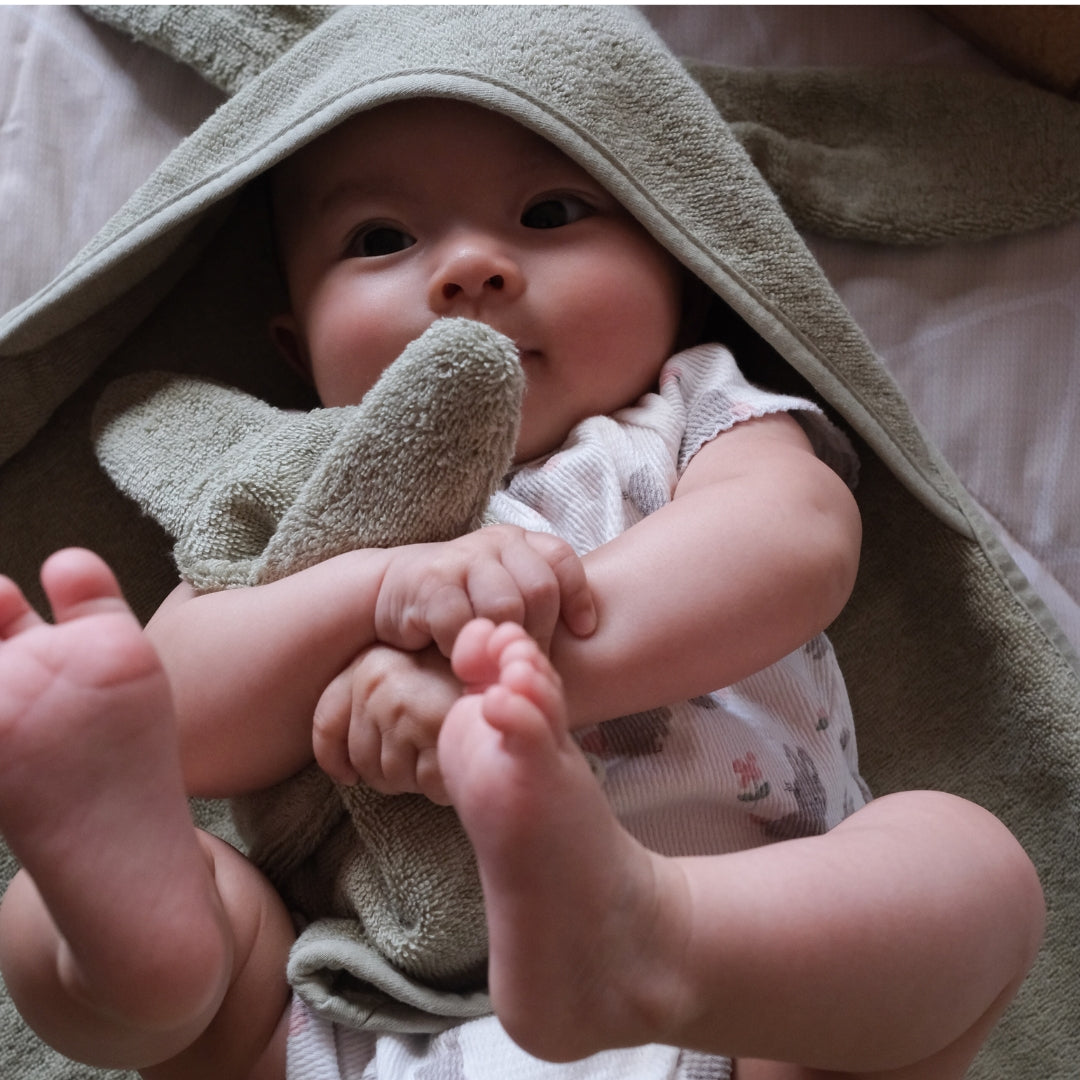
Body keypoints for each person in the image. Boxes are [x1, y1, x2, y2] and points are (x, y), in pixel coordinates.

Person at [0, 98, 1044, 1080]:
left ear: (676, 271)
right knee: (107, 917)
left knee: (966, 868)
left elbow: (792, 547)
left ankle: (655, 938)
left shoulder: (693, 411)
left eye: (549, 214)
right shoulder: (304, 485)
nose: (471, 268)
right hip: (380, 1017)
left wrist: (510, 683)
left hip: (742, 1007)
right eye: (380, 238)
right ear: (296, 345)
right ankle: (144, 946)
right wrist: (380, 586)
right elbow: (182, 720)